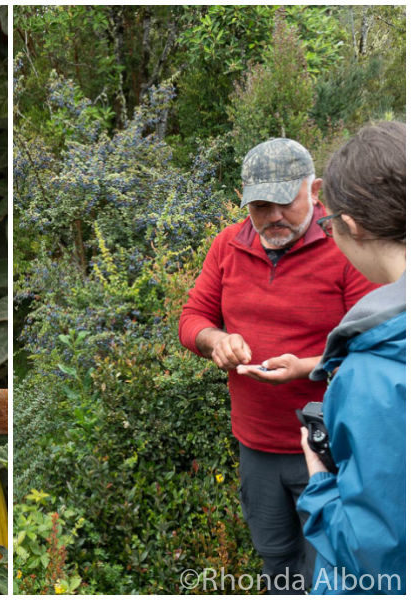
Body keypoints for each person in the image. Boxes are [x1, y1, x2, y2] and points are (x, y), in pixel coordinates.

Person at [178, 138, 378, 593]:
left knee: (330, 564)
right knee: (278, 564)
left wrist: (308, 366)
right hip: (257, 447)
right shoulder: (228, 245)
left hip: (330, 447)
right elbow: (192, 318)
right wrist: (217, 341)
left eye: (284, 202)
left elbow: (370, 349)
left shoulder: (347, 246)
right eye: (259, 205)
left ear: (315, 189)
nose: (272, 217)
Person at [296, 121, 405, 595]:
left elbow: (373, 550)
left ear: (351, 226)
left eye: (329, 221)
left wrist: (318, 480)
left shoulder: (374, 370)